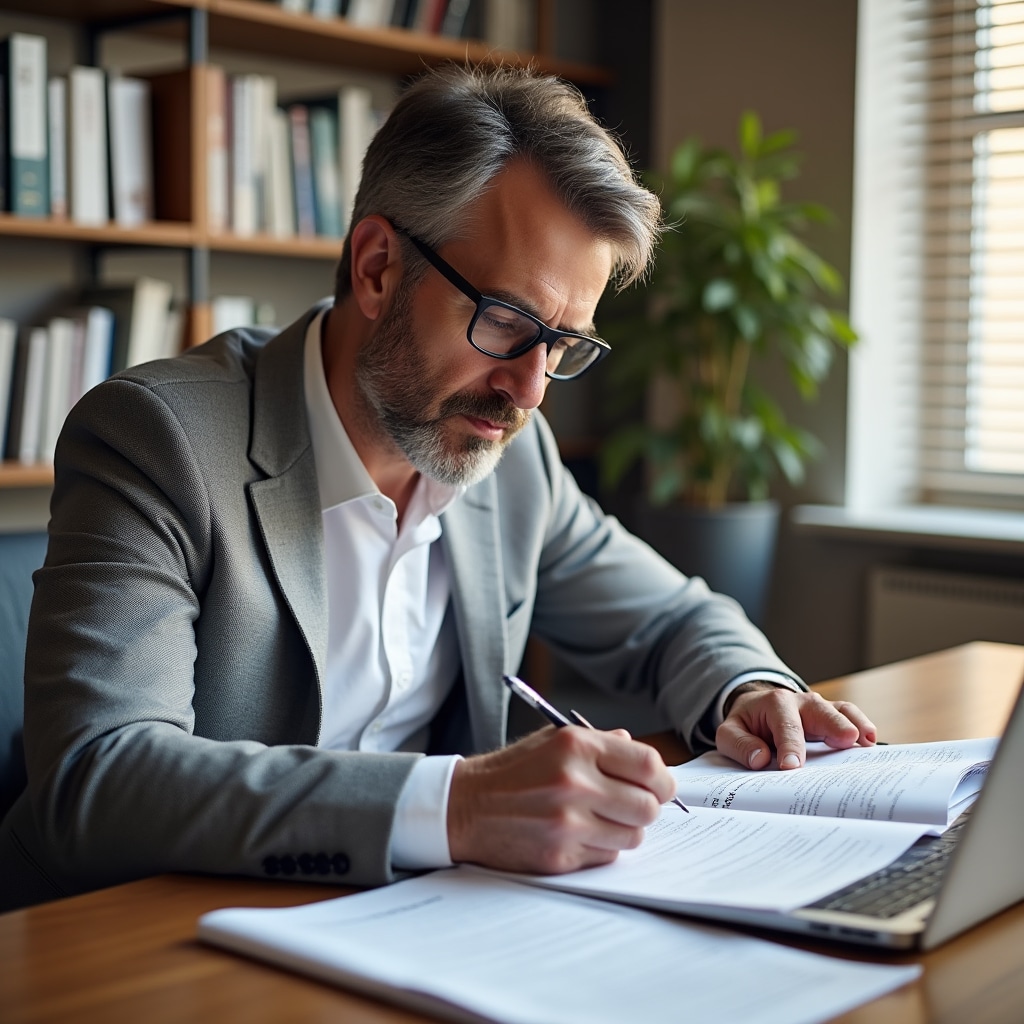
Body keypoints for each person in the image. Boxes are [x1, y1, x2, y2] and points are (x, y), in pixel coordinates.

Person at [0, 64, 875, 912]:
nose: (532, 390)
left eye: (563, 344)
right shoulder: (160, 439)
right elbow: (98, 778)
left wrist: (751, 690)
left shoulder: (507, 459)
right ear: (379, 267)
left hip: (413, 932)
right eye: (506, 322)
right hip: (148, 946)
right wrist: (457, 804)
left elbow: (671, 618)